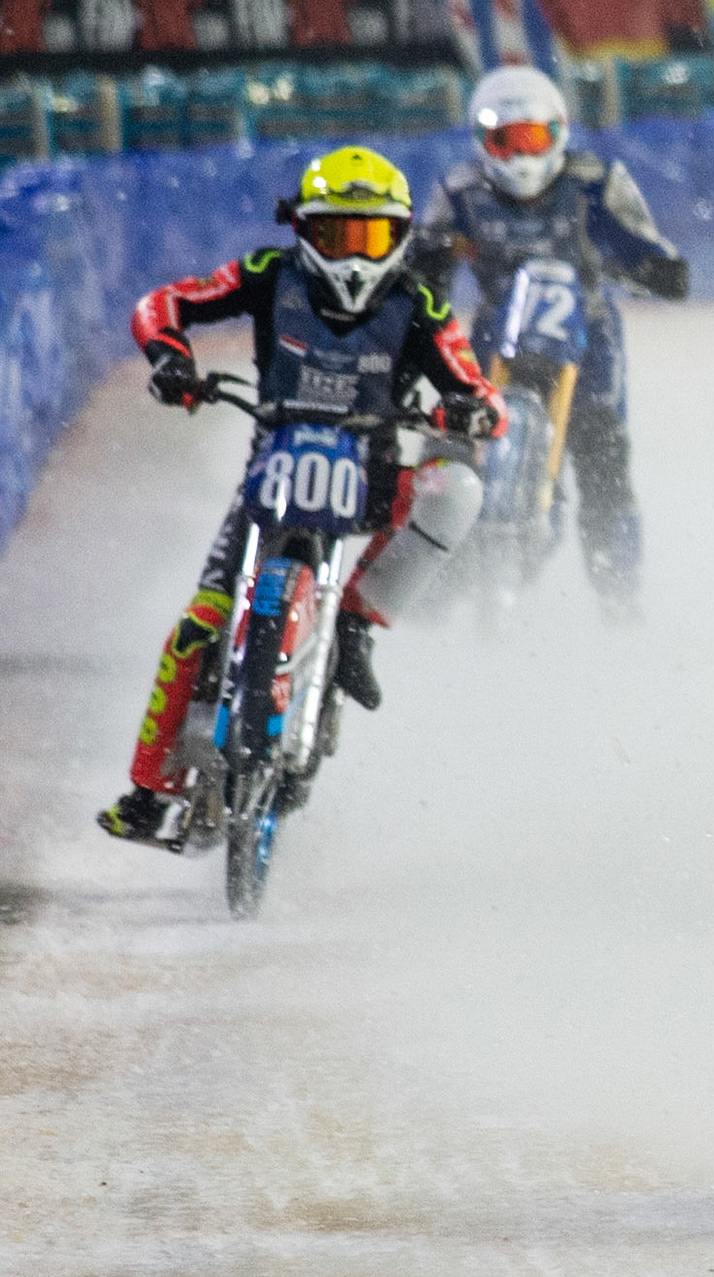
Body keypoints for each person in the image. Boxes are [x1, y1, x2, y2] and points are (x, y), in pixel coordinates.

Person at [98, 146, 504, 850]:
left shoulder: (421, 305)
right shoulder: (266, 274)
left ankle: (356, 621)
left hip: (373, 479)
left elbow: (484, 397)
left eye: (370, 236)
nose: (352, 255)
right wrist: (171, 358)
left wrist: (465, 413)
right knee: (197, 625)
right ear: (303, 233)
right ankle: (146, 790)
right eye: (335, 234)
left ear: (402, 236)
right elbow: (164, 303)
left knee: (458, 488)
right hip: (270, 479)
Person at [410, 65, 690, 615]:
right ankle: (431, 580)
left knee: (603, 456)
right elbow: (424, 270)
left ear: (559, 133)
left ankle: (619, 594)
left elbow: (647, 246)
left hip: (587, 338)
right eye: (505, 141)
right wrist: (432, 265)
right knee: (451, 442)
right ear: (482, 142)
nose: (520, 157)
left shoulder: (596, 183)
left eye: (533, 138)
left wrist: (654, 268)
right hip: (496, 337)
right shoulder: (459, 191)